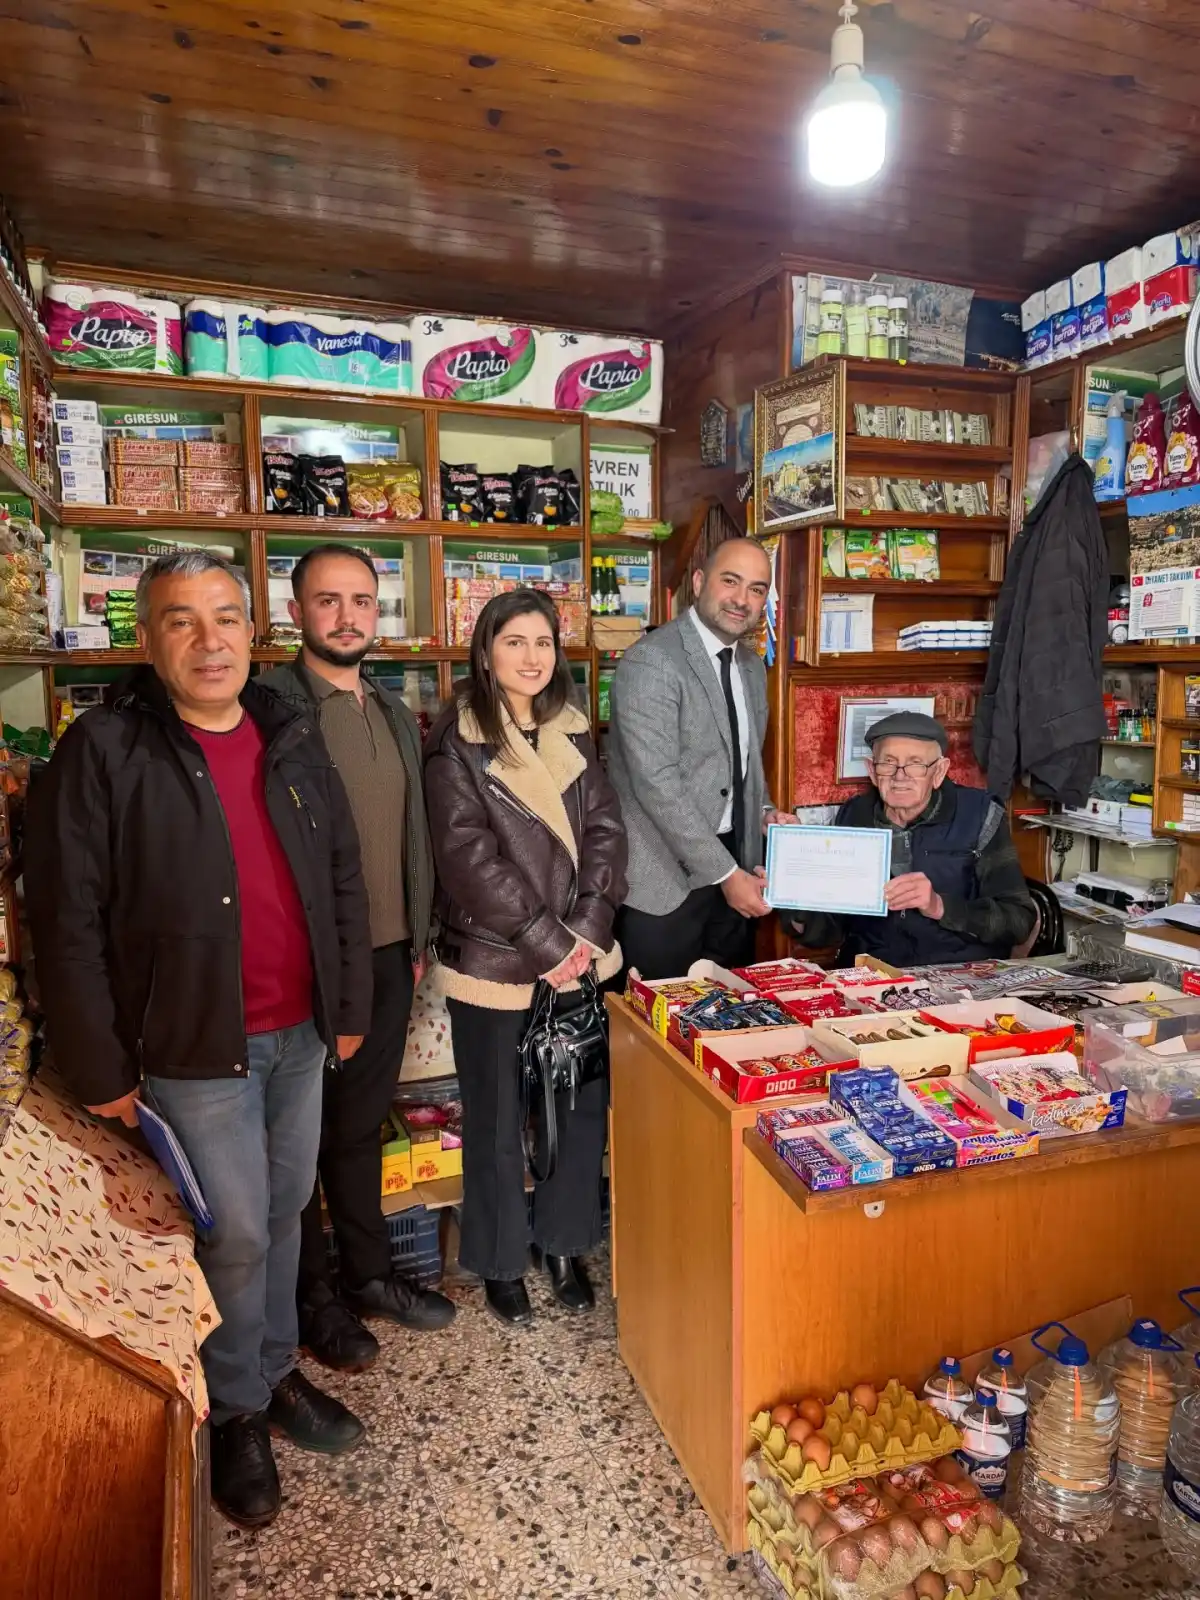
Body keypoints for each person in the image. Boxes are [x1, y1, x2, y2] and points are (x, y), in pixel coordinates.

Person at [24, 551, 374, 1532]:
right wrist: (98, 1064)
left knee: (283, 1210)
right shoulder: (103, 748)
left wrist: (347, 1004)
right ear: (149, 639)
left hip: (298, 1032)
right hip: (192, 1045)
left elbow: (340, 876)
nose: (210, 640)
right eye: (182, 621)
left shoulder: (288, 730)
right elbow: (68, 919)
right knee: (236, 1232)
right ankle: (236, 1416)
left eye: (226, 617)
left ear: (253, 631)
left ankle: (268, 1375)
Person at [259, 544, 455, 1375]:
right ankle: (311, 1304)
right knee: (295, 1146)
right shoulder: (269, 710)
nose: (347, 616)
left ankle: (367, 1274)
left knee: (356, 1132)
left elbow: (412, 836)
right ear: (296, 610)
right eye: (328, 600)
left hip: (384, 960)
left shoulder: (386, 710)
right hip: (305, 966)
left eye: (363, 602)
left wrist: (415, 940)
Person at [423, 589, 627, 1328]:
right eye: (515, 642)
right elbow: (468, 860)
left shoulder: (573, 730)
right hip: (497, 965)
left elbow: (606, 830)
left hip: (580, 956)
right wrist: (548, 945)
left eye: (544, 642)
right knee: (497, 1117)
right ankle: (501, 1257)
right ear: (486, 652)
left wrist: (588, 930)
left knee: (577, 1108)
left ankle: (566, 1244)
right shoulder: (457, 744)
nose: (532, 656)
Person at [607, 537, 795, 979]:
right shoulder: (652, 661)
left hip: (734, 864)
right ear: (698, 582)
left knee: (725, 1017)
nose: (742, 599)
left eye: (756, 589)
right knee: (657, 1031)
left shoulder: (749, 664)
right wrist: (726, 874)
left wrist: (764, 812)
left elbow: (743, 761)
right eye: (730, 581)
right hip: (664, 879)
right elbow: (657, 785)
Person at [788, 711, 1037, 967]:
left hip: (960, 974)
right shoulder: (854, 816)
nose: (900, 776)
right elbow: (830, 929)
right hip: (872, 973)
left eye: (915, 764)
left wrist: (940, 906)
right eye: (888, 763)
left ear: (939, 771)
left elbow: (1018, 921)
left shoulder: (979, 814)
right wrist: (791, 898)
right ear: (872, 771)